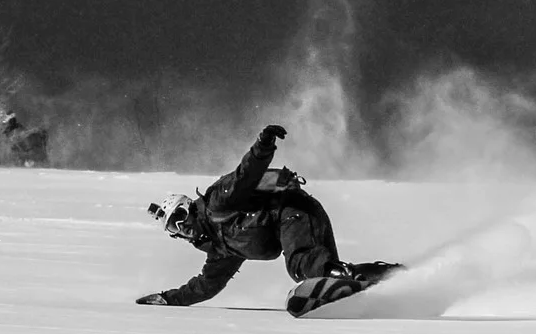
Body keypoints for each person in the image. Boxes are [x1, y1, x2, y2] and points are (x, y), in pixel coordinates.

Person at [136, 123, 396, 313]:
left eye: (179, 217)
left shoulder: (217, 203)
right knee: (319, 274)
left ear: (189, 206)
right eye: (174, 228)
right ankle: (386, 276)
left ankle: (341, 276)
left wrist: (263, 146)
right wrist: (167, 299)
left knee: (302, 265)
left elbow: (245, 176)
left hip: (293, 212)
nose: (182, 227)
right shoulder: (222, 250)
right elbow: (206, 286)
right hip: (303, 217)